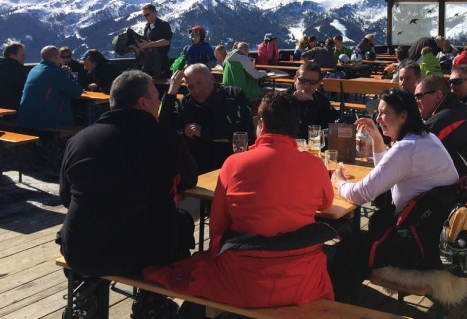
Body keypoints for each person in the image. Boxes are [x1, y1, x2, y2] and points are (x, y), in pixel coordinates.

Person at [144, 92, 336, 308]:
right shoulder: (314, 165)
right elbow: (326, 203)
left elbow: (217, 226)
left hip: (242, 280)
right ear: (295, 126)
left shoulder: (234, 164)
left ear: (261, 125)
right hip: (301, 280)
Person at [58, 70, 197, 318]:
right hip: (146, 252)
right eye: (157, 97)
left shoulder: (79, 140)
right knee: (181, 222)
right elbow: (188, 180)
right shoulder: (167, 139)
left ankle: (87, 291)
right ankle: (152, 301)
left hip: (82, 250)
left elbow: (66, 197)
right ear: (143, 103)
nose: (160, 103)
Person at [331, 89, 459, 273]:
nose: (378, 118)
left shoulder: (407, 148)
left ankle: (337, 297)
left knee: (348, 248)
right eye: (378, 113)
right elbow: (387, 171)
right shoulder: (425, 137)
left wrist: (338, 181)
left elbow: (360, 195)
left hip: (422, 239)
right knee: (377, 219)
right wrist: (376, 136)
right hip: (437, 225)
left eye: (384, 113)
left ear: (403, 116)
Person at [159, 63, 254, 173]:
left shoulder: (234, 96)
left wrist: (204, 133)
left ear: (211, 79)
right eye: (191, 86)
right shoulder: (185, 104)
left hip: (232, 167)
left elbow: (246, 133)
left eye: (199, 83)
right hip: (199, 173)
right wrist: (172, 92)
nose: (196, 90)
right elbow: (163, 129)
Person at [414, 74, 467, 195]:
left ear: (438, 95)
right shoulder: (457, 109)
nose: (416, 101)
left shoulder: (442, 121)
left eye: (419, 96)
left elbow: (414, 149)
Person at [17, 46, 83, 129]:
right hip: (46, 121)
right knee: (82, 121)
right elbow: (77, 91)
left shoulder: (34, 70)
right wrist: (68, 74)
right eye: (60, 56)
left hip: (26, 118)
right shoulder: (56, 73)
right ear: (55, 56)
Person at [288, 61, 337, 136]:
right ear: (295, 80)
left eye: (312, 82)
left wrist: (310, 102)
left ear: (318, 84)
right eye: (302, 80)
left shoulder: (322, 101)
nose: (306, 85)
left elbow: (326, 127)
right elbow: (299, 133)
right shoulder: (283, 100)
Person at [137, 3, 173, 78]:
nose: (145, 17)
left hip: (161, 63)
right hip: (148, 63)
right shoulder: (147, 27)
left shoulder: (164, 25)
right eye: (144, 15)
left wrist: (149, 44)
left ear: (155, 13)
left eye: (147, 15)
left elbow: (166, 41)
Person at [0, 42, 28, 110]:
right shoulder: (17, 71)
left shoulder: (2, 66)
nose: (25, 58)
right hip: (12, 111)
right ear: (12, 56)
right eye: (22, 55)